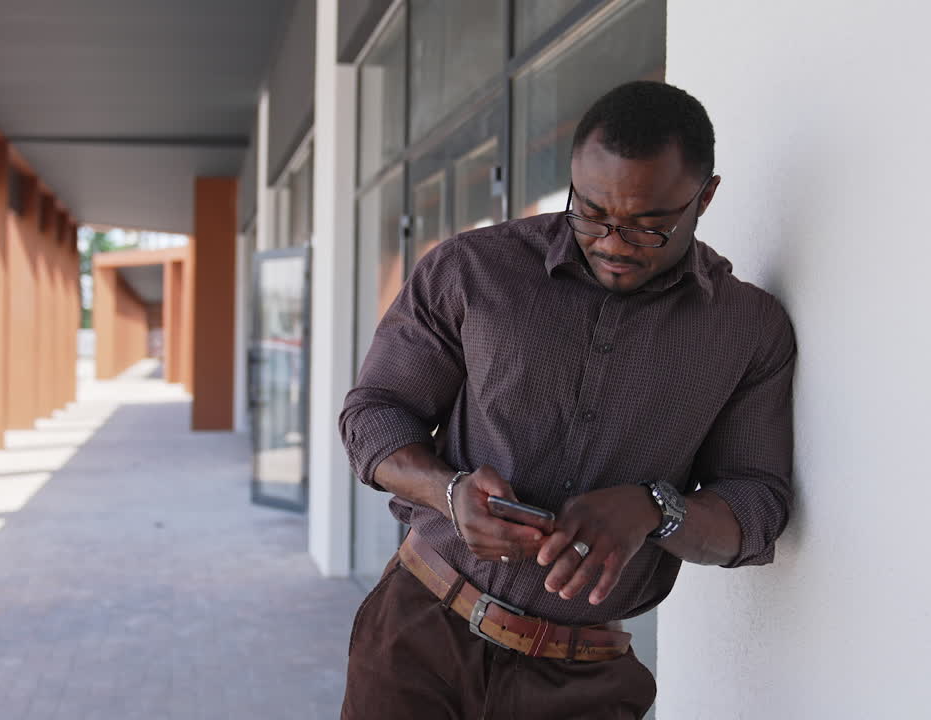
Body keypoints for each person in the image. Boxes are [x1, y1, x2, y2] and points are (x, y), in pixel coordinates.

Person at [338, 80, 796, 719]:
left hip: (585, 686)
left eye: (646, 225)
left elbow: (757, 505)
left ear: (706, 196)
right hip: (419, 635)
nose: (612, 241)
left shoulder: (746, 329)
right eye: (591, 212)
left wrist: (654, 511)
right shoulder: (473, 269)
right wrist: (449, 491)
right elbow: (374, 414)